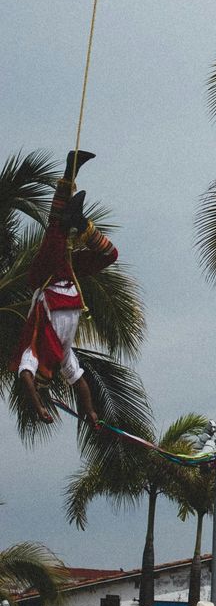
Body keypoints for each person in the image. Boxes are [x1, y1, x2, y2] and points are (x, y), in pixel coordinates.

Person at [11, 150, 116, 425]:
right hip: (69, 277)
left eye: (43, 376)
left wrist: (37, 405)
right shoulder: (63, 355)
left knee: (57, 231)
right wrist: (91, 410)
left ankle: (70, 170)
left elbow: (24, 376)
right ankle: (80, 223)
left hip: (46, 276)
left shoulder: (32, 353)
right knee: (109, 255)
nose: (50, 373)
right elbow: (80, 384)